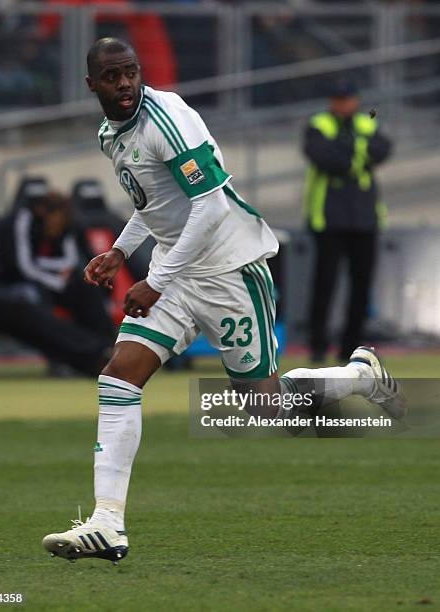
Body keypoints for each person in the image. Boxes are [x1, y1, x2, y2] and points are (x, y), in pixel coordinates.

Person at [42, 39, 403, 565]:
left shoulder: (168, 119)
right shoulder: (110, 135)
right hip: (179, 271)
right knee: (119, 377)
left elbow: (209, 205)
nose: (124, 84)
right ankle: (107, 523)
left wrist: (156, 278)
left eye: (130, 73)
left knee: (263, 402)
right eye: (112, 76)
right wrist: (121, 251)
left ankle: (361, 376)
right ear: (91, 85)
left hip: (229, 270)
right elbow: (156, 204)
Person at [303, 77, 392, 363]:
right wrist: (358, 154)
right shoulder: (319, 124)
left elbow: (384, 150)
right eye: (338, 99)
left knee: (361, 286)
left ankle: (351, 347)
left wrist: (349, 153)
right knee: (324, 284)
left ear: (356, 100)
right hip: (328, 218)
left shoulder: (368, 122)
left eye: (348, 99)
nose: (343, 105)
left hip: (364, 218)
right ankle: (318, 345)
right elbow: (325, 159)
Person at [0, 190, 116, 348]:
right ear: (43, 213)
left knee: (86, 290)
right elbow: (24, 265)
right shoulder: (21, 221)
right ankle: (59, 354)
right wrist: (57, 279)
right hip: (16, 282)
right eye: (55, 219)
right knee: (38, 298)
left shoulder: (68, 224)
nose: (57, 225)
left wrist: (59, 274)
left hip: (52, 280)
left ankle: (105, 347)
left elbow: (69, 260)